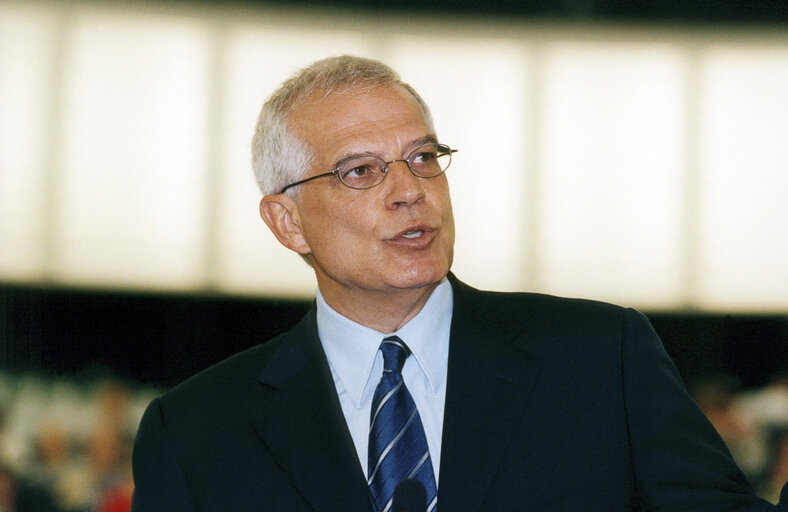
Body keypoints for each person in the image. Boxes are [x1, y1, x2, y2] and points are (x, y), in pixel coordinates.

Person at [130, 55, 788, 511]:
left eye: (423, 157)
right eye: (361, 171)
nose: (410, 191)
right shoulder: (196, 432)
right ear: (287, 221)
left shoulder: (599, 358)